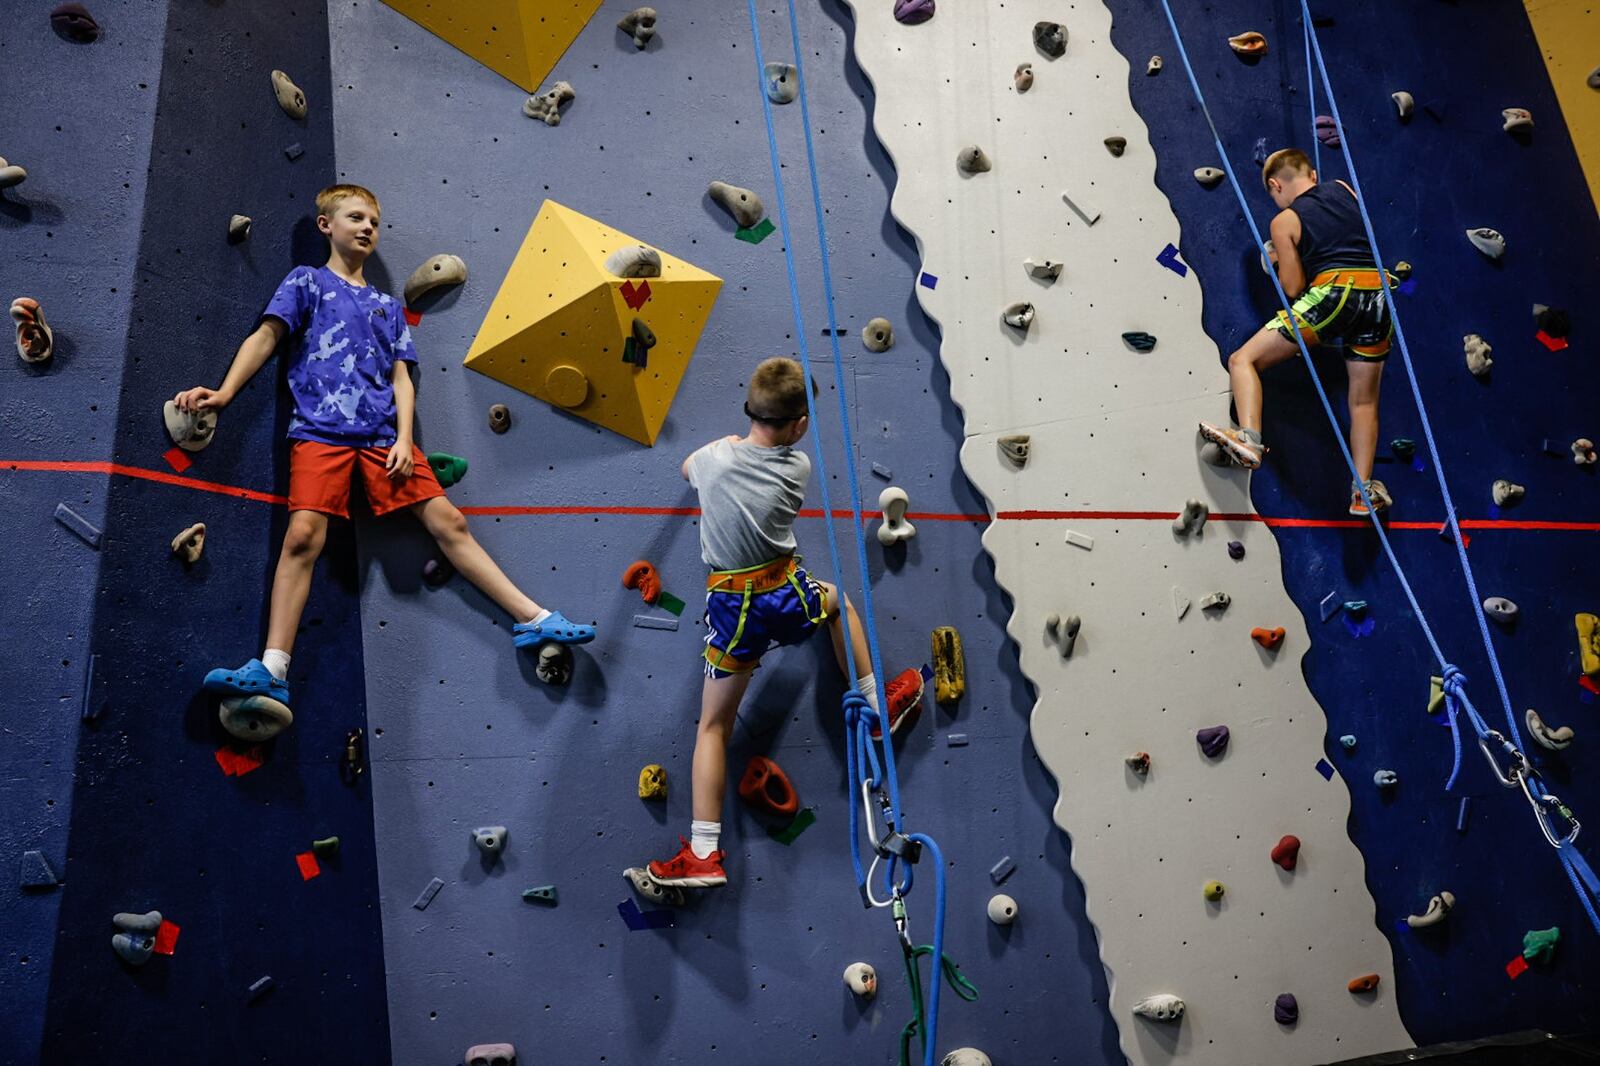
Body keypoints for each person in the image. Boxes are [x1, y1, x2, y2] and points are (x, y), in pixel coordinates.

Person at [172, 183, 594, 719]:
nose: (368, 227)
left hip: (382, 441)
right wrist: (226, 392)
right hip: (319, 433)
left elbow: (403, 379)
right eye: (355, 217)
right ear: (326, 225)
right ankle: (273, 670)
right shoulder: (306, 282)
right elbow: (266, 337)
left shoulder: (387, 307)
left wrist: (402, 437)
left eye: (374, 220)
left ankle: (534, 620)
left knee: (450, 524)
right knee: (303, 537)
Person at [645, 357, 923, 888]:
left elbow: (685, 470)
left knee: (713, 728)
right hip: (785, 591)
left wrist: (724, 445)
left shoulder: (713, 459)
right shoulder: (797, 468)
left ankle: (704, 852)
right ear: (798, 426)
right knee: (836, 603)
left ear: (750, 409)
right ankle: (873, 701)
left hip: (734, 607)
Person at [1199, 148, 1396, 516]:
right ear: (1313, 176)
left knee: (1243, 359)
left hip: (1336, 293)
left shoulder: (1284, 221)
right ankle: (1363, 490)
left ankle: (1249, 438)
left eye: (1273, 194)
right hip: (1380, 298)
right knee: (1364, 401)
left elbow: (1293, 288)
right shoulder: (1344, 189)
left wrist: (1276, 258)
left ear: (1275, 185)